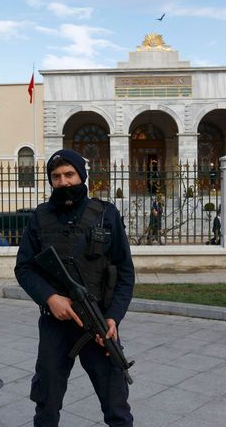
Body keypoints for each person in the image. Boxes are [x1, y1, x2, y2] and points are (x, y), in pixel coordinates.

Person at [15, 149, 135, 427]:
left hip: (99, 323)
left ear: (82, 175)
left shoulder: (106, 214)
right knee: (46, 403)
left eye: (69, 174)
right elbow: (24, 268)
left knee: (116, 405)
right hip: (56, 325)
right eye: (56, 176)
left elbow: (125, 270)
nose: (63, 181)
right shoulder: (39, 217)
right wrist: (50, 298)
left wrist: (113, 317)